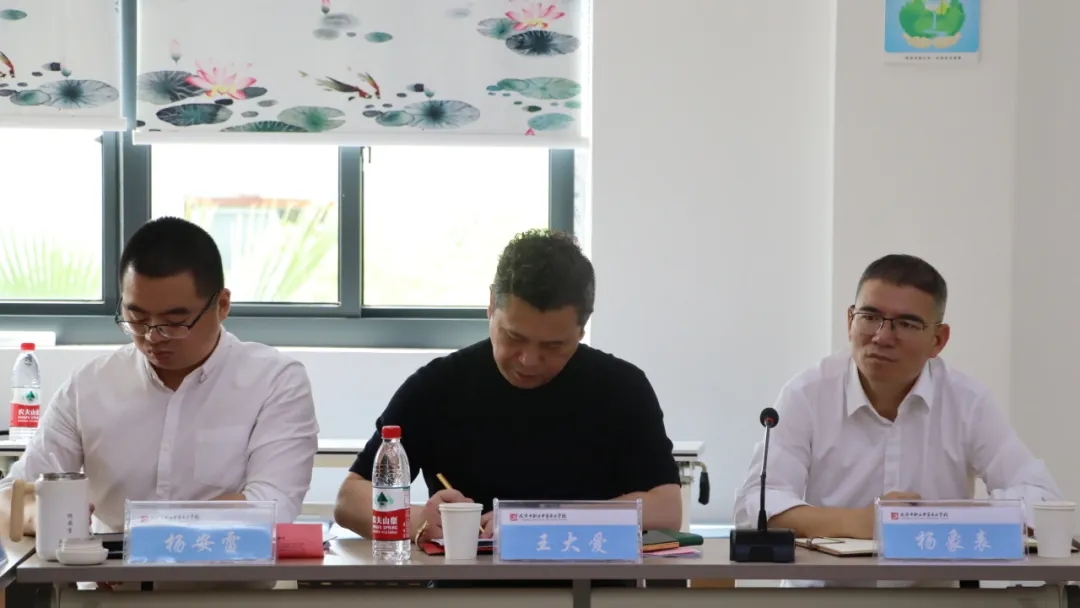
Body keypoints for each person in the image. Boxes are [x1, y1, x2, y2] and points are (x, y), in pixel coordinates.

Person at [335, 229, 682, 546]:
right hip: (466, 584)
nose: (529, 360)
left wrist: (536, 522)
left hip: (591, 583)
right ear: (491, 306)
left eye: (553, 346)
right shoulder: (438, 387)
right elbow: (350, 498)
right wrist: (417, 520)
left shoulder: (621, 389)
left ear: (582, 329)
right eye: (513, 336)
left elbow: (666, 509)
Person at [733, 254, 1062, 586]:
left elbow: (1043, 498)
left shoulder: (967, 402)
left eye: (906, 324)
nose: (882, 336)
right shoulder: (807, 393)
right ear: (849, 321)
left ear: (938, 340)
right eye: (869, 317)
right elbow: (755, 506)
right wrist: (864, 522)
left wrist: (938, 520)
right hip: (823, 598)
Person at [0, 217, 320, 537]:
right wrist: (39, 516)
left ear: (222, 305)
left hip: (221, 569)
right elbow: (12, 495)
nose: (153, 336)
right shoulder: (90, 385)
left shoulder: (275, 382)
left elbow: (273, 507)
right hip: (107, 569)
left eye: (175, 321)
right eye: (136, 318)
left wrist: (149, 532)